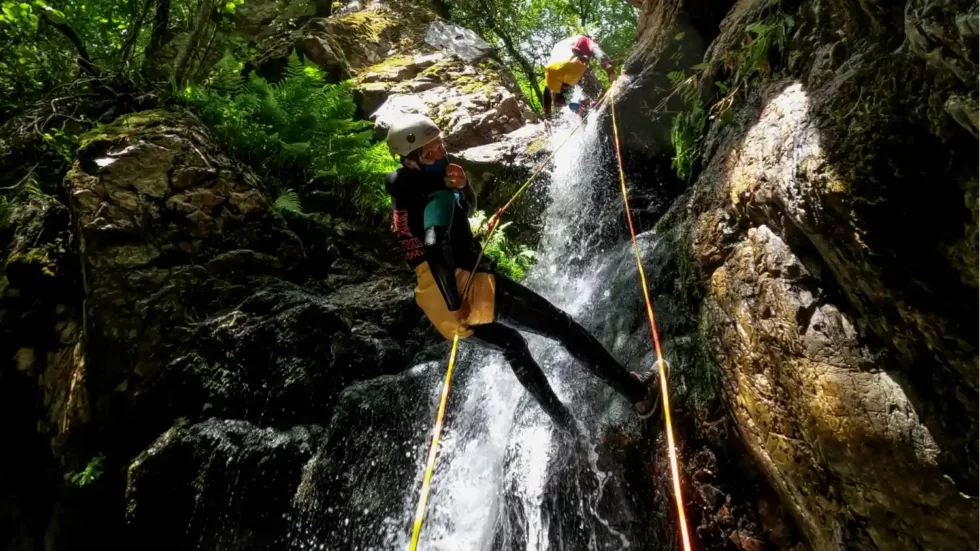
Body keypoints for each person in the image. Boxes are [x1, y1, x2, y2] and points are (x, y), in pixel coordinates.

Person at [383, 113, 659, 435]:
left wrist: (465, 186)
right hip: (464, 287)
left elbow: (460, 214)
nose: (440, 155)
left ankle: (566, 426)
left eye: (440, 146)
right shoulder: (435, 195)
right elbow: (434, 244)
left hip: (434, 303)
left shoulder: (406, 195)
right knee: (562, 327)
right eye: (429, 153)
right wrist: (455, 301)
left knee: (513, 345)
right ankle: (639, 394)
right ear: (410, 160)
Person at [542, 34, 617, 120]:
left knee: (560, 102)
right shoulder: (585, 39)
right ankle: (594, 101)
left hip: (550, 71)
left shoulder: (560, 45)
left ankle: (572, 107)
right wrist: (610, 71)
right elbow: (600, 54)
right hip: (572, 67)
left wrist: (547, 112)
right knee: (587, 73)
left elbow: (547, 88)